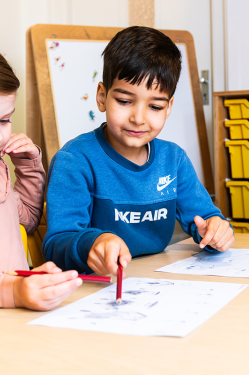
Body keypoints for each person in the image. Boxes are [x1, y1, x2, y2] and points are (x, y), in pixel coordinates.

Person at [43, 26, 235, 275]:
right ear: (102, 96)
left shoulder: (173, 160)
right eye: (124, 101)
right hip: (96, 287)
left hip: (155, 280)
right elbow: (57, 244)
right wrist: (93, 243)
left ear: (168, 108)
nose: (138, 118)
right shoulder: (75, 161)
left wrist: (217, 231)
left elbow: (207, 219)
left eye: (155, 106)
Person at [0, 32, 82, 319]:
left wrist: (28, 166)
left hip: (9, 320)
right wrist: (10, 291)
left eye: (4, 120)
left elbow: (26, 220)